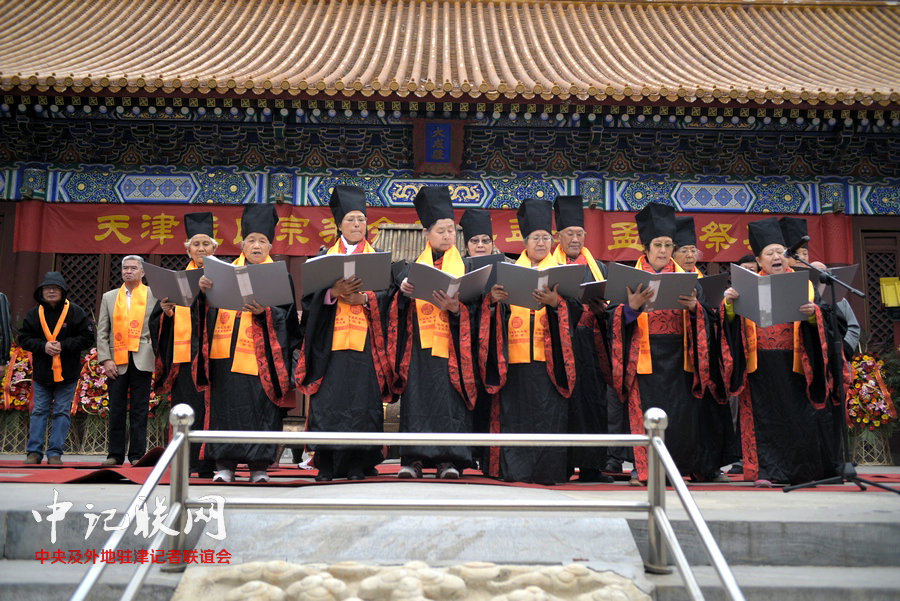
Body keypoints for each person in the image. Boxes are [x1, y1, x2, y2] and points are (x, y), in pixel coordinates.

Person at [720, 217, 839, 485]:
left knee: (797, 419)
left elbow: (827, 322)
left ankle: (800, 470)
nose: (777, 257)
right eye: (769, 253)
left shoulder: (804, 284)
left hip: (797, 363)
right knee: (764, 423)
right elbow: (729, 327)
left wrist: (813, 315)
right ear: (759, 261)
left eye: (781, 252)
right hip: (759, 366)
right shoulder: (746, 285)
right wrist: (728, 306)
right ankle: (764, 472)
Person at [608, 203, 720, 483]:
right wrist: (631, 308)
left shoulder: (689, 279)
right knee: (644, 413)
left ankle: (677, 466)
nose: (663, 251)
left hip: (679, 357)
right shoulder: (629, 278)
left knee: (679, 415)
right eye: (657, 244)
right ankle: (642, 467)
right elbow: (610, 319)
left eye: (668, 245)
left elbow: (709, 317)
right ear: (645, 248)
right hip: (644, 357)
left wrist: (695, 308)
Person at [480, 197, 581, 484]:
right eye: (535, 238)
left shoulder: (564, 271)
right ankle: (514, 470)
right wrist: (494, 301)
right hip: (514, 360)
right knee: (515, 417)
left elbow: (575, 311)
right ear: (525, 242)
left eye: (546, 238)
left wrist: (555, 303)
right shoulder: (506, 270)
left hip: (549, 360)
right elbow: (489, 311)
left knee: (549, 417)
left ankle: (548, 472)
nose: (541, 243)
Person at [296, 186, 392, 481]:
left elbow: (388, 297)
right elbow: (309, 300)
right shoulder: (324, 257)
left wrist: (365, 300)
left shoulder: (377, 258)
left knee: (362, 403)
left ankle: (356, 464)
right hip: (331, 344)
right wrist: (331, 294)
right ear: (339, 224)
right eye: (350, 219)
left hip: (366, 345)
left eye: (361, 220)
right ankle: (326, 464)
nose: (356, 225)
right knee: (330, 403)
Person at [203, 203, 301, 483]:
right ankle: (225, 465)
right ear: (242, 244)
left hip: (263, 359)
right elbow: (208, 313)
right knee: (225, 409)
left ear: (270, 245)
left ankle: (259, 466)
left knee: (261, 410)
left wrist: (265, 313)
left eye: (262, 241)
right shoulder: (222, 273)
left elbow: (290, 323)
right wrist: (204, 295)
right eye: (251, 241)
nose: (256, 246)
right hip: (225, 354)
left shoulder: (281, 276)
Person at [390, 186, 477, 479]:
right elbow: (395, 309)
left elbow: (476, 314)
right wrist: (402, 293)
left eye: (451, 230)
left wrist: (456, 309)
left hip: (452, 348)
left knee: (450, 401)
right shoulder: (410, 268)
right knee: (417, 400)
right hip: (418, 349)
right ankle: (412, 459)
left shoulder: (466, 268)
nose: (447, 236)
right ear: (427, 234)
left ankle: (448, 461)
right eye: (441, 231)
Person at [150, 212, 217, 478]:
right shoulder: (176, 278)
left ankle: (207, 462)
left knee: (208, 410)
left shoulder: (222, 275)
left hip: (212, 359)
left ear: (215, 248)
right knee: (184, 407)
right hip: (182, 357)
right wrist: (165, 313)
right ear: (187, 248)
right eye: (196, 244)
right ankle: (183, 461)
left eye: (206, 244)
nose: (201, 249)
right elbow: (156, 321)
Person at [551, 195, 612, 483]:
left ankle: (592, 466)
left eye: (579, 234)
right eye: (569, 234)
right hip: (558, 341)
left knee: (592, 403)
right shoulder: (548, 265)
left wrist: (603, 313)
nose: (575, 239)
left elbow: (611, 308)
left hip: (590, 344)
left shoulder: (599, 266)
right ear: (557, 236)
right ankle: (560, 465)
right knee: (562, 404)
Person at [18, 272, 93, 464]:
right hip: (42, 373)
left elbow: (87, 337)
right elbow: (24, 338)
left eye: (55, 288)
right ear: (41, 292)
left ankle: (54, 453)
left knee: (61, 411)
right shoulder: (34, 314)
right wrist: (43, 346)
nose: (51, 291)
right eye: (47, 288)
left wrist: (63, 345)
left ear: (63, 292)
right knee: (39, 411)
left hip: (67, 373)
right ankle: (33, 453)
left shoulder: (75, 312)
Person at [97, 256, 157, 465]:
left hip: (143, 356)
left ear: (142, 272)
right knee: (116, 408)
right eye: (125, 268)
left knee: (140, 408)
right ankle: (114, 454)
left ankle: (136, 455)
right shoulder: (110, 297)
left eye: (133, 268)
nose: (128, 271)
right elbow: (102, 331)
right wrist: (105, 359)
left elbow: (160, 326)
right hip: (117, 359)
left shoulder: (153, 294)